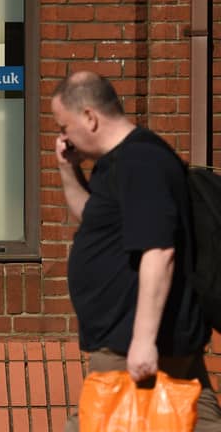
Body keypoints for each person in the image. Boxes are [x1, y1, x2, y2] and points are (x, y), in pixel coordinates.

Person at [52, 71, 221, 431]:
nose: (63, 137)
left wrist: (142, 342)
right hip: (145, 337)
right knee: (198, 418)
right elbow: (92, 217)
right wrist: (68, 171)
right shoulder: (114, 164)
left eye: (64, 125)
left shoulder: (141, 163)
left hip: (131, 343)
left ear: (90, 117)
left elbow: (159, 251)